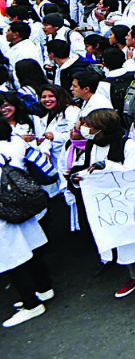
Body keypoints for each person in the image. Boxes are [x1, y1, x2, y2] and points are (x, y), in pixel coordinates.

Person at [70, 108, 135, 302]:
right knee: (120, 238)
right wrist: (78, 177)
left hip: (129, 199)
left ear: (103, 128)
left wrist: (107, 166)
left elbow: (130, 173)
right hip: (106, 202)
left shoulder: (127, 144)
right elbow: (88, 169)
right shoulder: (92, 145)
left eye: (90, 126)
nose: (86, 130)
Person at [0, 119, 54, 327]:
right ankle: (44, 289)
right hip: (22, 201)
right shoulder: (15, 140)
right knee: (32, 248)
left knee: (13, 259)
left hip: (5, 211)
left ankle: (31, 305)